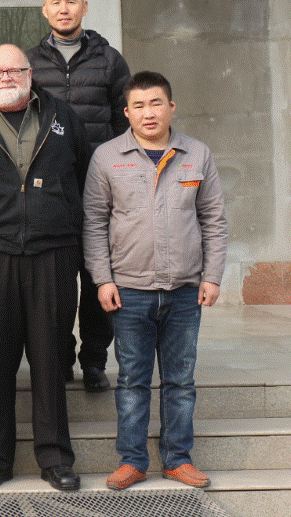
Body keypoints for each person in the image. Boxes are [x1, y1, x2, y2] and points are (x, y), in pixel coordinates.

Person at [0, 44, 91, 492]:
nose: (5, 77)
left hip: (52, 253)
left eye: (14, 69)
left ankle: (55, 458)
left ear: (30, 73)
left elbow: (83, 182)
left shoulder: (64, 117)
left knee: (50, 358)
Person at [83, 71, 227, 491]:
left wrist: (212, 276)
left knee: (180, 380)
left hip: (184, 291)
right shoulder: (107, 157)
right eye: (139, 105)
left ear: (171, 107)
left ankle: (178, 459)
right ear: (126, 112)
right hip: (129, 290)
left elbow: (214, 220)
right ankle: (132, 460)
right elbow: (93, 223)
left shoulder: (196, 154)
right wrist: (102, 279)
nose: (148, 113)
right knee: (132, 380)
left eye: (156, 103)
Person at [27, 0, 131, 393]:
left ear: (84, 7)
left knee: (96, 276)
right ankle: (60, 358)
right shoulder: (30, 61)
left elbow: (125, 118)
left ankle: (94, 360)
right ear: (45, 10)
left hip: (98, 183)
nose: (64, 8)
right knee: (54, 281)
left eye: (71, 1)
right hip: (50, 186)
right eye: (55, 2)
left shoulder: (109, 59)